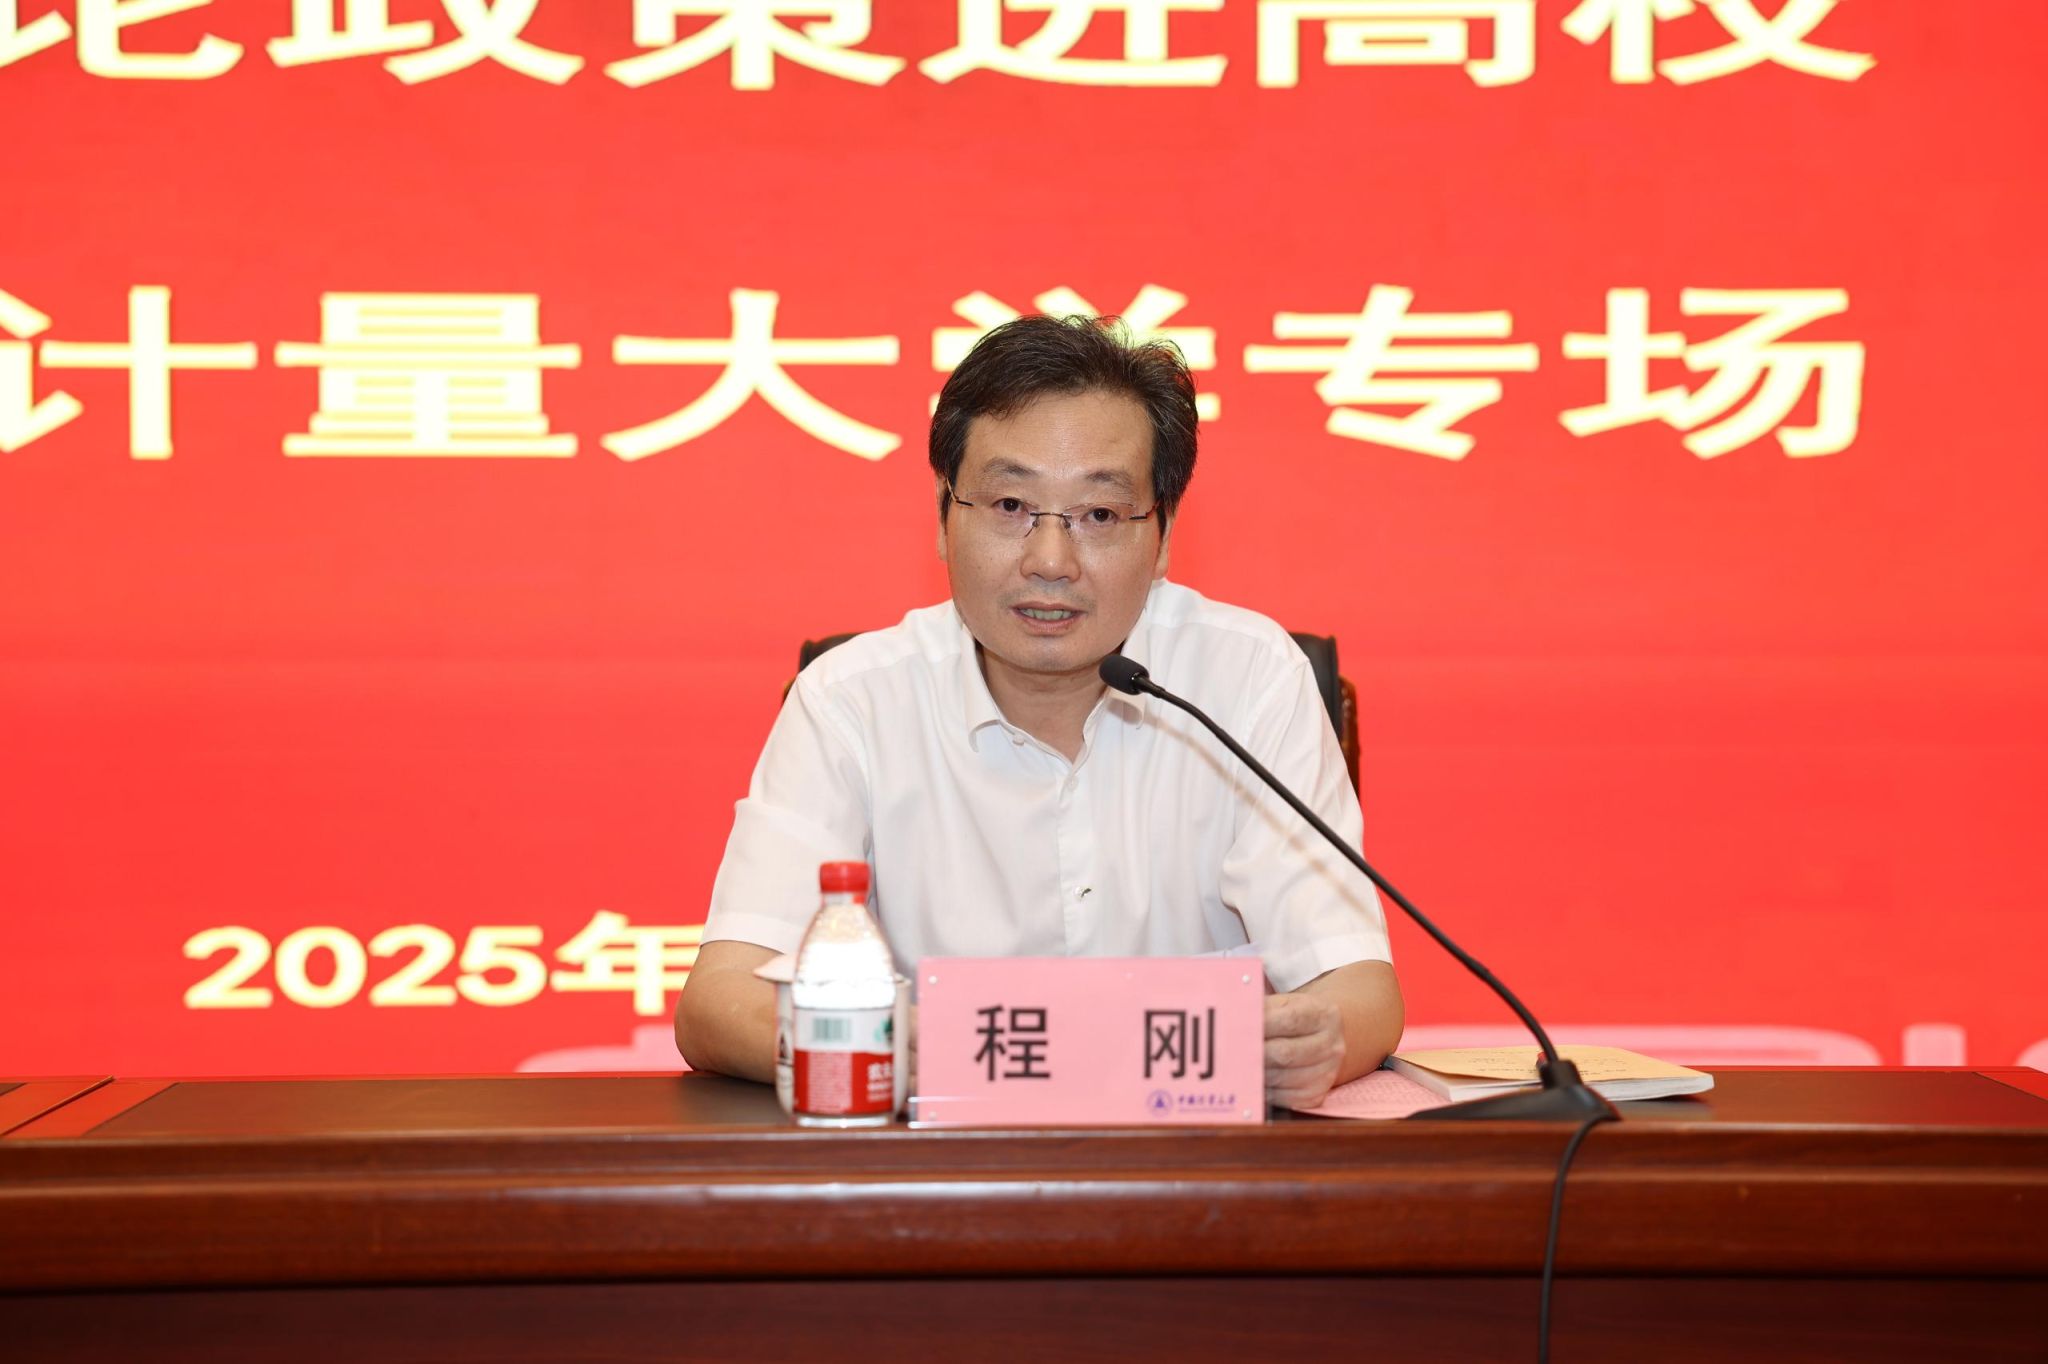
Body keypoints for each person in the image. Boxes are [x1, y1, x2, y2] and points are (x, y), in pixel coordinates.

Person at [677, 315, 1402, 1109]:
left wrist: (1316, 1039)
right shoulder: (852, 699)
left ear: (1162, 535)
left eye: (1100, 515)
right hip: (937, 1168)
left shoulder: (1249, 678)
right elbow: (719, 1002)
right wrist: (889, 1040)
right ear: (944, 515)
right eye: (1011, 504)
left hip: (1195, 1158)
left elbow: (1359, 987)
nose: (1050, 561)